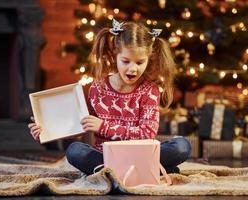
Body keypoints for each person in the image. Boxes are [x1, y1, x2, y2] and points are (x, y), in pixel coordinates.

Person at [28, 19, 191, 175]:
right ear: (115, 56)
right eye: (126, 61)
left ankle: (114, 172)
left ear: (148, 59)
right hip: (106, 156)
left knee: (181, 146)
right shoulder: (97, 88)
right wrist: (46, 129)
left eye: (140, 62)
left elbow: (147, 133)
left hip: (139, 154)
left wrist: (103, 127)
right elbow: (81, 125)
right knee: (75, 150)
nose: (133, 69)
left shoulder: (149, 90)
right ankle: (145, 170)